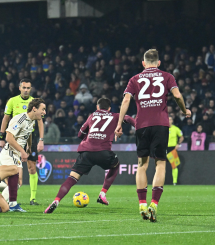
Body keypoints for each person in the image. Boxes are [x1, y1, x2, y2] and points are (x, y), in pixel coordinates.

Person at [115, 49, 191, 222]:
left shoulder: (134, 79)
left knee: (141, 165)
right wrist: (184, 110)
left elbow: (126, 100)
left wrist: (119, 124)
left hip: (141, 125)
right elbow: (177, 95)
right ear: (158, 63)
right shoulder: (167, 76)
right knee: (160, 164)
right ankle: (154, 204)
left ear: (143, 63)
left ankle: (142, 204)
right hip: (161, 125)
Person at [45, 98, 135, 214]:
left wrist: (91, 136)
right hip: (103, 151)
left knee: (72, 178)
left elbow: (79, 134)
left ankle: (56, 201)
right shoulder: (115, 115)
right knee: (115, 166)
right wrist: (137, 126)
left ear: (97, 107)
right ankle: (102, 194)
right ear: (109, 108)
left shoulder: (92, 116)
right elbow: (128, 118)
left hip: (86, 151)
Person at [0, 79, 44, 205]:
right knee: (13, 179)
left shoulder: (35, 103)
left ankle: (31, 199)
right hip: (13, 140)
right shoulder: (13, 102)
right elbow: (6, 118)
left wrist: (39, 140)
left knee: (29, 169)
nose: (26, 90)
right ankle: (1, 201)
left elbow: (32, 127)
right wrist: (1, 138)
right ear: (19, 88)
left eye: (28, 88)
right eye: (24, 87)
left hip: (26, 139)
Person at [167, 116, 184, 185]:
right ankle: (160, 181)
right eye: (167, 119)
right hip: (164, 148)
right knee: (161, 165)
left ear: (172, 121)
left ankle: (174, 182)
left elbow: (182, 137)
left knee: (174, 165)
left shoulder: (176, 129)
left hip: (172, 149)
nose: (169, 121)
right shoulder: (163, 128)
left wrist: (178, 144)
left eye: (170, 119)